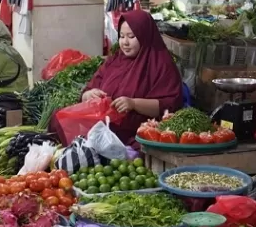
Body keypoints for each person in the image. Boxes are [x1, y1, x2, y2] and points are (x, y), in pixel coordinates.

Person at [53, 10, 183, 148]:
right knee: (57, 119)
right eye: (121, 36)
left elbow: (169, 104)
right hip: (102, 127)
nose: (125, 42)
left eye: (131, 37)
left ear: (145, 36)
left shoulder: (161, 64)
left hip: (136, 133)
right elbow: (91, 87)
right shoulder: (115, 60)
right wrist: (88, 95)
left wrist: (133, 104)